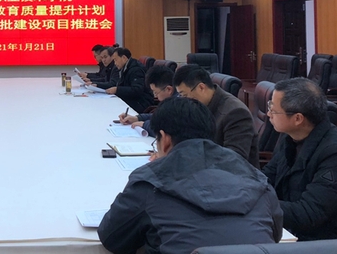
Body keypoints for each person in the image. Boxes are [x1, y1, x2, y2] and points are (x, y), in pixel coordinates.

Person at [98, 97, 282, 254]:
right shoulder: (253, 176)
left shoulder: (150, 182)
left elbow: (112, 238)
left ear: (165, 139)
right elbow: (275, 234)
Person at [262, 78, 337, 241]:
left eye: (273, 110)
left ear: (297, 118)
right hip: (288, 230)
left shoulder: (332, 153)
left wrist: (259, 204)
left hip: (320, 242)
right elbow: (266, 178)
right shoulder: (290, 138)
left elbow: (309, 214)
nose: (268, 114)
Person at [174, 64, 259, 167]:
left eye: (184, 95)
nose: (183, 100)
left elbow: (234, 160)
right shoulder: (199, 107)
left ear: (201, 87)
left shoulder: (236, 113)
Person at [118, 65, 177, 136]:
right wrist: (137, 118)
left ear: (168, 89)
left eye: (156, 92)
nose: (155, 96)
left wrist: (145, 125)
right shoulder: (171, 100)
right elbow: (159, 117)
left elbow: (166, 129)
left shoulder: (178, 104)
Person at [105, 47, 154, 114]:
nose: (115, 63)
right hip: (133, 99)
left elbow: (137, 90)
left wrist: (117, 90)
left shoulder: (136, 69)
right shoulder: (126, 67)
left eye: (115, 60)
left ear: (124, 58)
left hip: (140, 102)